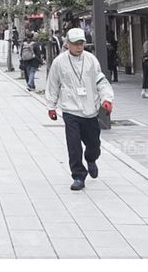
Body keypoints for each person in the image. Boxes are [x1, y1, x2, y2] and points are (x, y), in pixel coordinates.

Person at [46, 28, 115, 191]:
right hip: (70, 110)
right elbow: (53, 85)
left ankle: (91, 159)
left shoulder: (91, 60)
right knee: (74, 145)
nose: (79, 46)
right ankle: (78, 175)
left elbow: (101, 82)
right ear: (67, 44)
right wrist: (51, 106)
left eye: (81, 43)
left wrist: (107, 99)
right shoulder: (59, 62)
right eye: (75, 43)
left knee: (94, 145)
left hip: (90, 110)